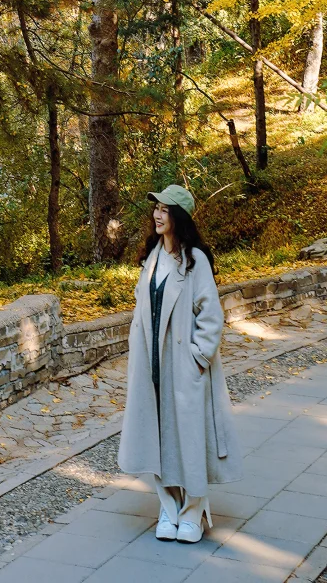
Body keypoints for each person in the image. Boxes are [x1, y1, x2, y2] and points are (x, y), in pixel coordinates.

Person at [117, 184, 243, 544]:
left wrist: (197, 357)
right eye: (156, 208)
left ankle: (193, 512)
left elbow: (211, 315)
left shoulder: (195, 260)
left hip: (183, 364)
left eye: (165, 210)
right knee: (158, 436)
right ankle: (168, 508)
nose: (157, 215)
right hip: (152, 363)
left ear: (179, 216)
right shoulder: (152, 258)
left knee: (190, 438)